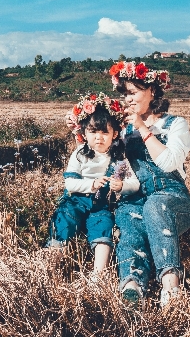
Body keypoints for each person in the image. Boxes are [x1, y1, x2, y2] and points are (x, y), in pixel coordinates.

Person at [110, 61, 190, 307]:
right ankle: (132, 287)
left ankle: (171, 287)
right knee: (128, 216)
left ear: (153, 92)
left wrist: (142, 128)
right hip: (139, 196)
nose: (128, 99)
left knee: (155, 206)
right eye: (125, 94)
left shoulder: (175, 125)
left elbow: (168, 162)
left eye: (133, 92)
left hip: (173, 197)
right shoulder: (125, 131)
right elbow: (123, 170)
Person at [47, 93, 140, 277]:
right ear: (84, 133)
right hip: (77, 201)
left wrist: (121, 186)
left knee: (103, 224)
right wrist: (92, 184)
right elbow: (70, 183)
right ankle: (51, 262)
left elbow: (135, 183)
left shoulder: (119, 159)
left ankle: (99, 274)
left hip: (102, 204)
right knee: (65, 218)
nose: (99, 137)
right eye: (93, 132)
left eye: (105, 132)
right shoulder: (80, 154)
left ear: (115, 134)